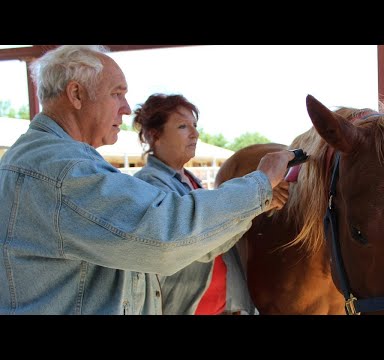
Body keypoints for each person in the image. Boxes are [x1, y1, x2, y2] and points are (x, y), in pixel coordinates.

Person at [0, 45, 295, 315]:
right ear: (76, 95)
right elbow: (165, 238)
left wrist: (255, 201)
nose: (127, 108)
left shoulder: (46, 160)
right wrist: (260, 183)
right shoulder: (61, 171)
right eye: (117, 93)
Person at [131, 93, 290, 315]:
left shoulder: (190, 181)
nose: (195, 134)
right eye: (182, 127)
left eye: (195, 125)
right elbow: (195, 241)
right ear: (152, 135)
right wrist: (254, 204)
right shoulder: (148, 185)